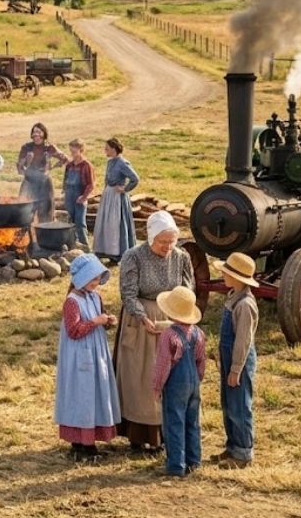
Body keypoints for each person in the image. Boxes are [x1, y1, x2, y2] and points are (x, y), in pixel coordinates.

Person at [114, 210, 193, 452]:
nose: (168, 247)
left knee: (169, 378)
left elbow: (188, 287)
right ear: (150, 238)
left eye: (172, 241)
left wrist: (182, 313)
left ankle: (165, 434)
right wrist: (143, 317)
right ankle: (137, 436)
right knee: (140, 378)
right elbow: (128, 293)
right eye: (163, 242)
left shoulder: (181, 257)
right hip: (141, 322)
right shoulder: (133, 256)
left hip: (171, 320)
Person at [55, 253, 121, 462]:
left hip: (95, 352)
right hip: (79, 357)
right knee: (82, 396)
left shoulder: (94, 296)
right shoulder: (72, 302)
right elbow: (73, 330)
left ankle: (90, 438)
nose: (96, 282)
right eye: (93, 279)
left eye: (98, 278)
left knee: (95, 394)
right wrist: (95, 321)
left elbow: (99, 316)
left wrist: (107, 320)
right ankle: (82, 443)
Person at [151, 285, 206, 477]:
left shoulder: (169, 335)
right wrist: (198, 379)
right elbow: (201, 360)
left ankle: (176, 465)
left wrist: (157, 387)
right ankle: (194, 461)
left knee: (174, 422)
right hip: (193, 383)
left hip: (176, 383)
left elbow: (163, 364)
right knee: (193, 422)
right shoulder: (198, 333)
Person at [211, 252, 259, 469]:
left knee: (240, 405)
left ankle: (243, 452)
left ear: (238, 278)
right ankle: (232, 446)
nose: (222, 274)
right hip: (229, 358)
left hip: (239, 360)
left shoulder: (245, 305)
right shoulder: (233, 296)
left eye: (226, 272)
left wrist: (236, 368)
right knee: (229, 403)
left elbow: (243, 340)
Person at [92, 137, 139, 261]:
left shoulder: (123, 163)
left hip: (117, 198)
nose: (105, 151)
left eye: (107, 149)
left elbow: (135, 178)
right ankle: (104, 251)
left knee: (115, 225)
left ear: (114, 149)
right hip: (108, 196)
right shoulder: (110, 162)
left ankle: (117, 253)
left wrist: (125, 189)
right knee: (105, 224)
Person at [17, 122, 67, 223]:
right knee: (24, 210)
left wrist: (54, 165)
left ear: (44, 134)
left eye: (39, 132)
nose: (36, 134)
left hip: (44, 182)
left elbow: (65, 158)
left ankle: (45, 235)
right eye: (34, 132)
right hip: (29, 182)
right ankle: (25, 236)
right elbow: (19, 166)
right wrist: (27, 159)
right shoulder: (26, 147)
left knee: (46, 211)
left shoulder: (49, 147)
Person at [62, 139, 95, 248]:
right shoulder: (69, 165)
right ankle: (72, 245)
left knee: (80, 223)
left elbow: (91, 184)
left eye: (74, 151)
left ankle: (85, 247)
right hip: (69, 195)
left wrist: (84, 196)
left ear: (81, 150)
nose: (72, 153)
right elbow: (65, 179)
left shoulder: (86, 165)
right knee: (69, 221)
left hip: (79, 195)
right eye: (71, 150)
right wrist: (64, 190)